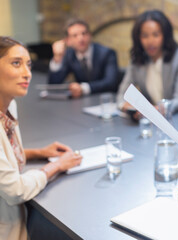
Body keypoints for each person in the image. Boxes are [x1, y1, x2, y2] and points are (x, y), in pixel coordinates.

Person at [0, 36, 82, 240]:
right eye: (16, 63)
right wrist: (57, 165)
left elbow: (5, 156)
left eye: (28, 64)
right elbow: (15, 190)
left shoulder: (9, 105)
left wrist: (39, 153)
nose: (27, 74)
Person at [116, 10, 178, 120]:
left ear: (165, 36)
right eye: (145, 36)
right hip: (147, 122)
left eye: (156, 35)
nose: (150, 41)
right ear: (138, 38)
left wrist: (157, 109)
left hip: (174, 119)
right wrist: (128, 107)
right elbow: (121, 95)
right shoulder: (136, 59)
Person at [48, 18, 119, 98]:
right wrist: (57, 59)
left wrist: (83, 88)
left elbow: (110, 82)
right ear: (68, 41)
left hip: (106, 100)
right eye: (75, 36)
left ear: (90, 35)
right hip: (82, 102)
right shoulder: (69, 54)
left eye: (84, 33)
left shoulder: (107, 53)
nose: (81, 39)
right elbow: (54, 85)